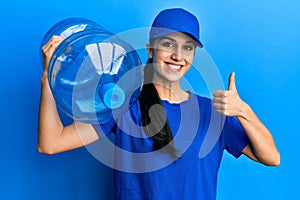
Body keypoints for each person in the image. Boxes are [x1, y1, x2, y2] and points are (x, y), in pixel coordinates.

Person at [38, 8, 280, 200]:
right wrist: (49, 77)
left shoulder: (213, 112)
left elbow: (271, 157)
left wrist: (243, 112)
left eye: (187, 47)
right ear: (150, 50)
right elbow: (51, 143)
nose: (178, 55)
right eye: (168, 44)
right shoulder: (124, 105)